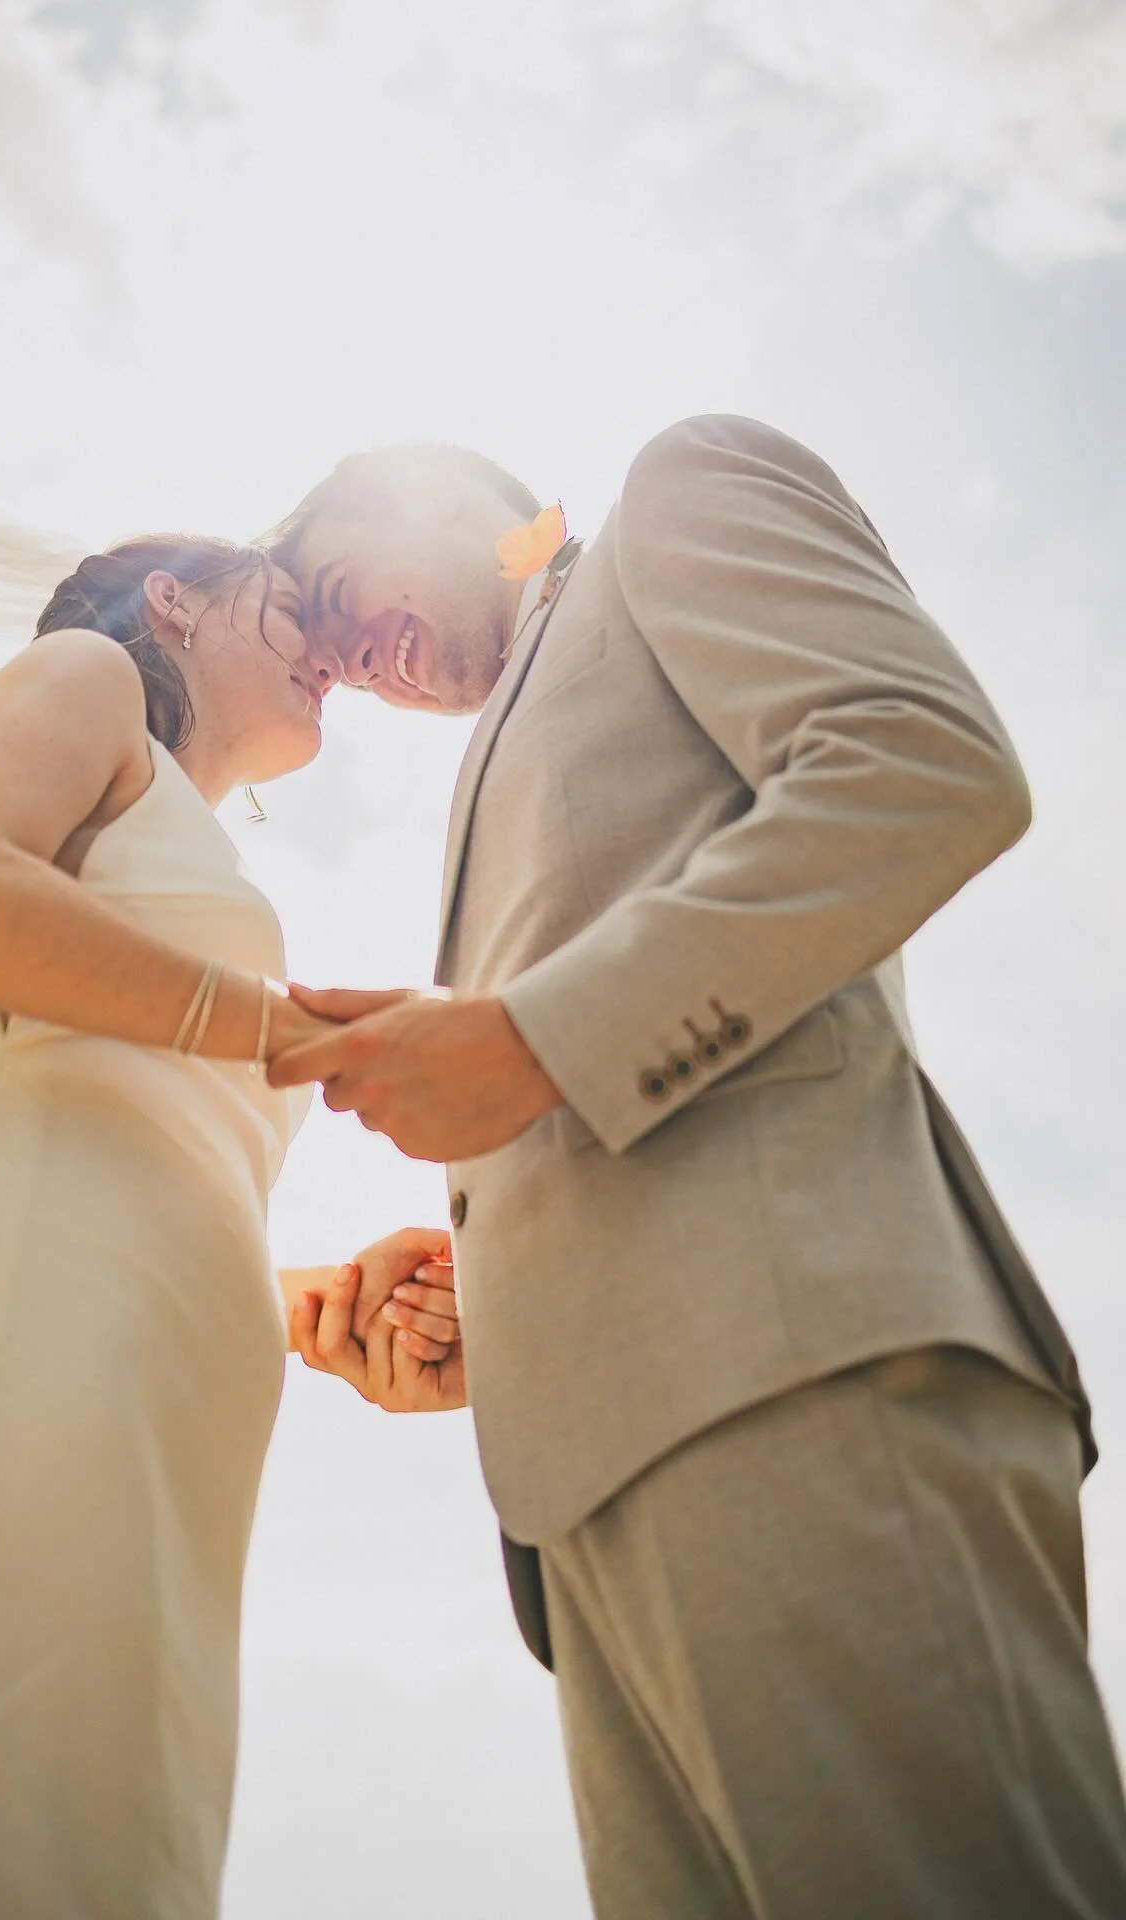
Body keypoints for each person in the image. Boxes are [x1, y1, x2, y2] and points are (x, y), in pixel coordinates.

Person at [267, 419, 1126, 1917]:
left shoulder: (675, 492)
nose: (359, 661)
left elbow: (925, 763)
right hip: (584, 1521)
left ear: (420, 480)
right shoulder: (493, 749)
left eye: (337, 593)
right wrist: (494, 1299)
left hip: (796, 1375)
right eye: (335, 670)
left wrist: (530, 1042)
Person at [0, 535, 464, 1920]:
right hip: (13, 1362)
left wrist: (304, 1304)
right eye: (289, 604)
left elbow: (151, 1140)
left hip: (154, 1421)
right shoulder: (84, 678)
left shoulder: (169, 829)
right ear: (171, 600)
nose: (327, 649)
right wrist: (300, 1034)